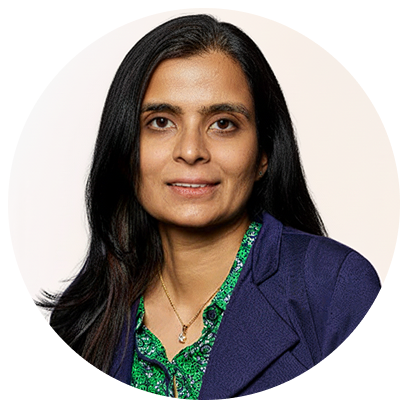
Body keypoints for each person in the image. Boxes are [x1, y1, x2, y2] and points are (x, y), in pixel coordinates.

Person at [38, 14, 381, 399]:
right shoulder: (81, 318)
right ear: (124, 152)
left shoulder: (335, 289)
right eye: (161, 122)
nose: (190, 151)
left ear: (264, 153)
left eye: (223, 124)